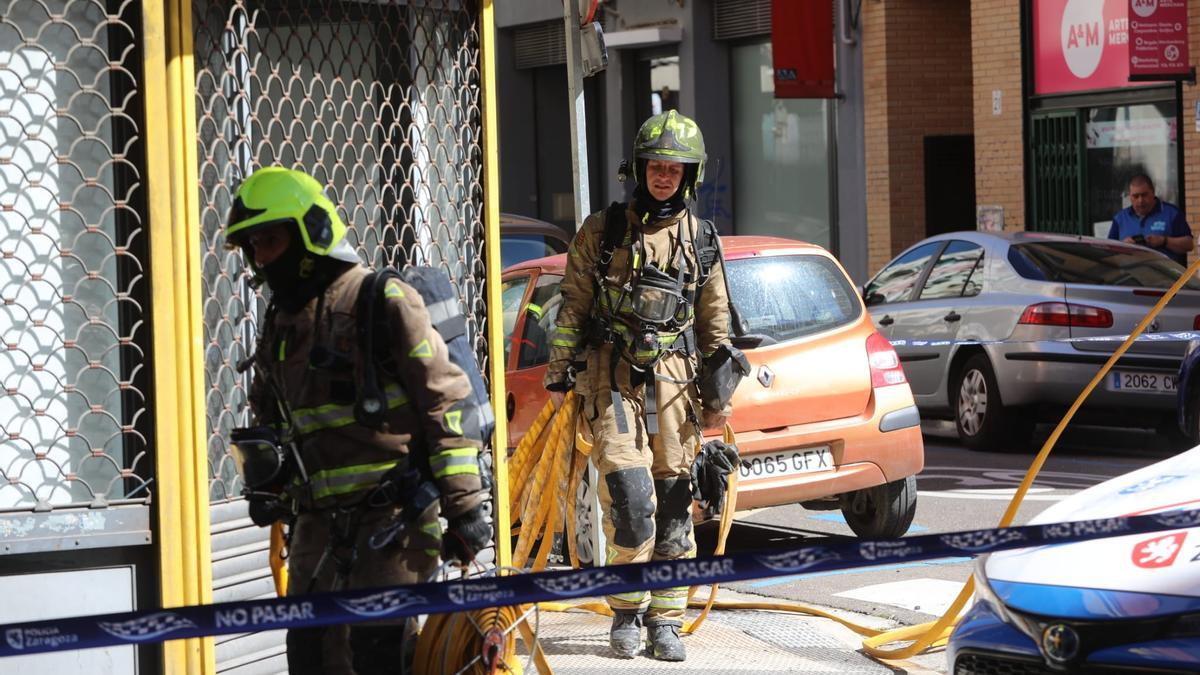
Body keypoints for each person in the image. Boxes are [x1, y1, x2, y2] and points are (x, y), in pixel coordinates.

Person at [224, 167, 491, 675]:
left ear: (311, 234)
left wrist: (465, 507)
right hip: (315, 529)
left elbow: (446, 402)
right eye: (253, 246)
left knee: (379, 660)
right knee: (309, 658)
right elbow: (270, 415)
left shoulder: (380, 299)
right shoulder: (280, 321)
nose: (261, 257)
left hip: (392, 524)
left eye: (271, 241)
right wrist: (267, 480)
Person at [543, 110, 733, 662]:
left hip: (675, 385)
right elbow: (573, 306)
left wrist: (718, 399)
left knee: (675, 501)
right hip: (611, 379)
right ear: (640, 168)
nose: (665, 176)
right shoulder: (602, 232)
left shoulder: (701, 239)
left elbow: (714, 322)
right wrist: (561, 374)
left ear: (688, 176)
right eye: (657, 165)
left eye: (675, 168)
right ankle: (626, 612)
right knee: (629, 498)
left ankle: (665, 619)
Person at [1108, 173, 1193, 266]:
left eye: (1144, 195)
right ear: (1130, 196)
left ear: (1153, 192)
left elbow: (1189, 244)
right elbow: (1108, 252)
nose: (1140, 200)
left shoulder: (1171, 213)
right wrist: (1123, 246)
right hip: (1130, 278)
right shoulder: (1120, 218)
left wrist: (1164, 241)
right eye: (1135, 196)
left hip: (1166, 278)